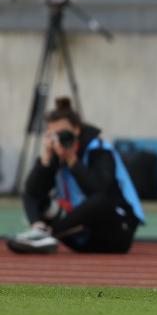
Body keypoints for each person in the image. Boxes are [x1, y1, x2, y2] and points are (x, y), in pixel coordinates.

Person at [7, 98, 144, 254]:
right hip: (78, 233)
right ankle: (38, 231)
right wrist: (45, 160)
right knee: (32, 194)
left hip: (116, 232)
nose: (59, 139)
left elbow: (100, 191)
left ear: (77, 130)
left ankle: (45, 236)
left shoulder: (100, 150)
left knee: (100, 200)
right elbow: (32, 192)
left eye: (64, 134)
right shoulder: (55, 153)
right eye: (54, 135)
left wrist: (72, 160)